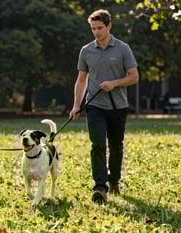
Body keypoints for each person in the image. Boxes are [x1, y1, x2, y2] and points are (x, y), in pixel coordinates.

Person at [69, 9, 139, 204]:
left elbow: (134, 76)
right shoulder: (86, 51)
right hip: (95, 106)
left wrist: (114, 83)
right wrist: (76, 106)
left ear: (109, 26)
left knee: (116, 147)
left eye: (100, 28)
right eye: (93, 28)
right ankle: (100, 186)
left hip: (118, 106)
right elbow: (81, 80)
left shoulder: (123, 49)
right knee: (98, 144)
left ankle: (114, 180)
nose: (96, 32)